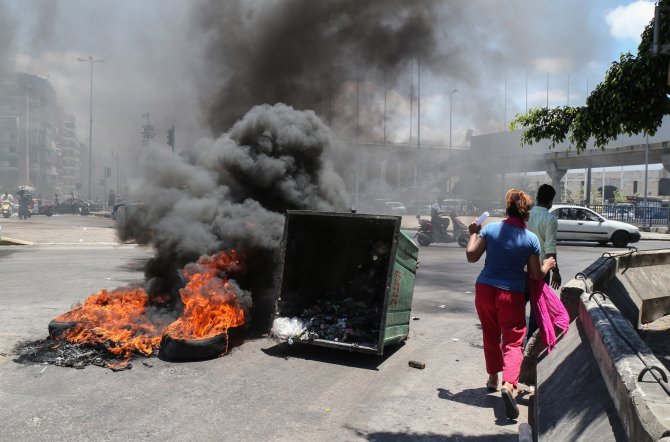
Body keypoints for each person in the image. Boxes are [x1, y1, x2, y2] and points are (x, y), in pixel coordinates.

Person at [466, 189, 555, 419]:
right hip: (511, 294)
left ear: (507, 208)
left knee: (490, 333)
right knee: (513, 342)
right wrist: (548, 265)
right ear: (527, 213)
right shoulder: (530, 239)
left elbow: (471, 255)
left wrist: (473, 233)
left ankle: (492, 378)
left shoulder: (491, 229)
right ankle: (508, 384)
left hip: (484, 290)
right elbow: (536, 275)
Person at [526, 184, 561, 338]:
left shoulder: (526, 215)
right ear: (550, 201)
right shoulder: (550, 219)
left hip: (522, 268)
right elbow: (550, 247)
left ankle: (515, 338)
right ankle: (531, 340)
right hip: (540, 270)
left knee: (518, 303)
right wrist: (556, 270)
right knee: (537, 305)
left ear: (538, 197)